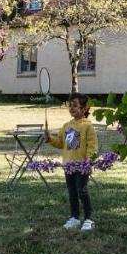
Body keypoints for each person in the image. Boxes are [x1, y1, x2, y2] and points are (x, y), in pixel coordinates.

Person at [44, 92, 99, 232]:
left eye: (75, 105)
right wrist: (50, 139)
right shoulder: (66, 126)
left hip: (82, 166)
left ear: (84, 108)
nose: (72, 108)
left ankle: (89, 219)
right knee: (72, 192)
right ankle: (74, 217)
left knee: (82, 191)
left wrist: (88, 162)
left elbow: (92, 147)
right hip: (68, 166)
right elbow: (61, 143)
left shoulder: (88, 127)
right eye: (70, 106)